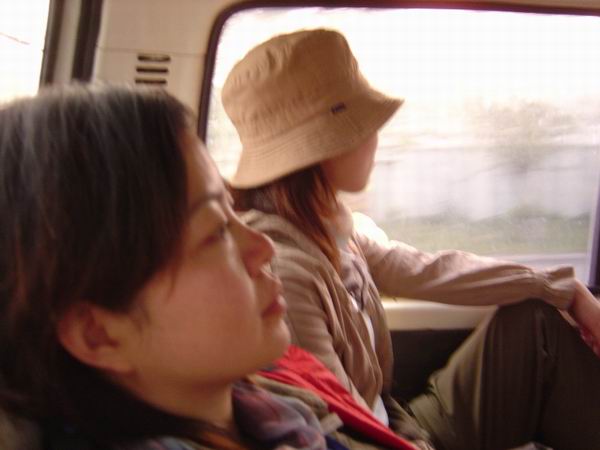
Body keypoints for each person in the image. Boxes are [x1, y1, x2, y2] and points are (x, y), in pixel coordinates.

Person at [222, 28, 600, 450]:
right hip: (384, 440)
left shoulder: (335, 229)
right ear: (322, 149)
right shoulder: (285, 275)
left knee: (535, 322)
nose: (375, 137)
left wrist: (563, 290)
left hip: (400, 423)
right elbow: (339, 429)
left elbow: (430, 270)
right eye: (363, 125)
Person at [0, 84, 415, 450]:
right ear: (99, 334)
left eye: (231, 211)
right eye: (216, 232)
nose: (264, 247)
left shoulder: (274, 403)